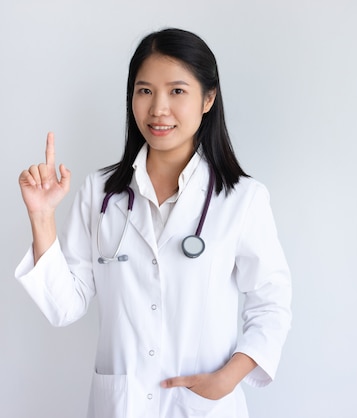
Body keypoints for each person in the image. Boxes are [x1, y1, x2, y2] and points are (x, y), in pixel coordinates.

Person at [15, 28, 292, 418]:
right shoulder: (100, 194)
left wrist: (229, 377)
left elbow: (271, 303)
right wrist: (42, 217)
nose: (158, 108)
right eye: (145, 91)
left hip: (203, 407)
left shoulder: (242, 200)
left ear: (208, 99)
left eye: (177, 91)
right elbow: (65, 306)